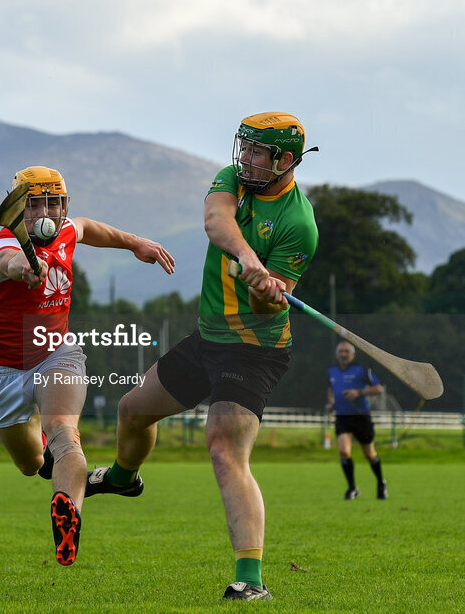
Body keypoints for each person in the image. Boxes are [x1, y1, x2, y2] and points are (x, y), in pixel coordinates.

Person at [87, 113, 318, 601]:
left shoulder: (299, 224)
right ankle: (125, 479)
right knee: (132, 411)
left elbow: (263, 307)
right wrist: (249, 258)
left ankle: (250, 581)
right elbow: (216, 221)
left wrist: (265, 289)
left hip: (256, 349)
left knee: (223, 447)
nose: (246, 159)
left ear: (287, 161)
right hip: (209, 337)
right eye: (246, 148)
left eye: (259, 152)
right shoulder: (233, 179)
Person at [0, 166, 175, 566]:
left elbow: (88, 227)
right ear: (18, 208)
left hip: (54, 353)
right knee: (31, 464)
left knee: (64, 432)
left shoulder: (66, 231)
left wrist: (135, 243)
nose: (47, 211)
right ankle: (69, 474)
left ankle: (68, 518)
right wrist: (25, 269)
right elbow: (8, 263)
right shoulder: (1, 248)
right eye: (36, 203)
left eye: (54, 202)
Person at [326, 340, 387, 500]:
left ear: (353, 354)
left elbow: (379, 388)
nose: (344, 354)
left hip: (361, 417)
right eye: (341, 351)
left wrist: (359, 393)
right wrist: (331, 403)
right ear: (336, 354)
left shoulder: (362, 370)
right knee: (344, 451)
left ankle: (381, 483)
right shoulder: (331, 371)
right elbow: (330, 390)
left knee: (369, 454)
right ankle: (352, 488)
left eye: (347, 351)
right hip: (342, 417)